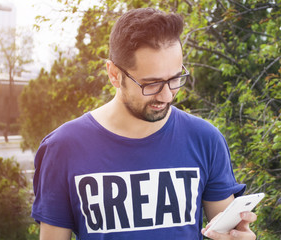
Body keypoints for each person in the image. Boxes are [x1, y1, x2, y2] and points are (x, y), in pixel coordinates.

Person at [31, 7, 257, 240]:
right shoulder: (63, 148)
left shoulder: (205, 139)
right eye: (151, 84)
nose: (167, 96)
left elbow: (225, 231)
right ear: (114, 74)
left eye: (175, 79)